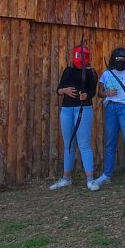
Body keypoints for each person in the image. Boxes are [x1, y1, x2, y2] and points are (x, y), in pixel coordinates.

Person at [50, 44, 100, 191]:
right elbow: (58, 89)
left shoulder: (91, 73)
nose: (81, 59)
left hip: (83, 109)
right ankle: (66, 178)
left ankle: (90, 180)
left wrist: (86, 95)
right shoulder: (68, 71)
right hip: (66, 109)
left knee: (84, 144)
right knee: (69, 144)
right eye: (79, 56)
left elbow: (92, 92)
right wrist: (64, 90)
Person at [95, 48, 125, 187]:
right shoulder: (106, 74)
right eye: (117, 58)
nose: (120, 60)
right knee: (110, 142)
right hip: (110, 107)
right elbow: (99, 92)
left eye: (122, 58)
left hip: (124, 108)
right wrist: (107, 93)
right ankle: (106, 174)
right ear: (113, 59)